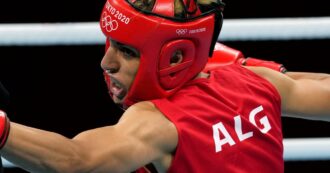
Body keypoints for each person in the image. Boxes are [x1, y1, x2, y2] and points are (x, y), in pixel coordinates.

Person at [0, 0, 329, 172]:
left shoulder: (159, 124)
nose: (107, 63)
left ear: (175, 58)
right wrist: (251, 68)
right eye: (110, 44)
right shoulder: (257, 82)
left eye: (126, 51)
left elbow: (76, 160)